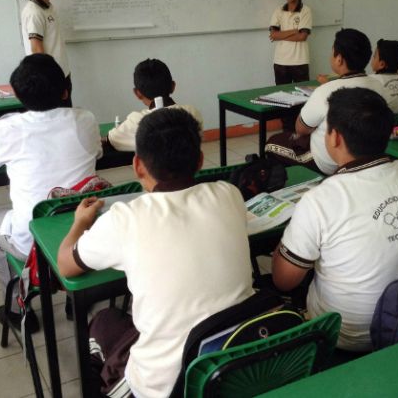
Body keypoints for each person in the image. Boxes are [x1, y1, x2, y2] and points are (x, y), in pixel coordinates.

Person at [57, 108, 255, 397]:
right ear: (200, 160)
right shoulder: (228, 193)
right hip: (233, 363)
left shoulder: (124, 218)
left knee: (103, 321)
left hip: (165, 386)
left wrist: (79, 224)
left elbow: (65, 265)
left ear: (137, 166)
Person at [272, 87, 398, 353]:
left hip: (344, 338)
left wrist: (281, 251)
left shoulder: (321, 200)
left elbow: (283, 280)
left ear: (334, 137)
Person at [0, 54, 102, 329]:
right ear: (65, 90)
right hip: (83, 233)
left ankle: (18, 308)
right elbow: (97, 150)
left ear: (16, 94)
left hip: (34, 241)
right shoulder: (85, 119)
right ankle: (77, 300)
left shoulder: (9, 128)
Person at [265, 28, 390, 175]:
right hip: (367, 156)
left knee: (272, 143)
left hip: (327, 162)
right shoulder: (378, 86)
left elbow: (301, 129)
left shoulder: (326, 91)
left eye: (332, 51)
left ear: (339, 59)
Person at [104, 58, 203, 152]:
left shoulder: (137, 121)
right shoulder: (192, 113)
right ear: (173, 86)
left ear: (137, 93)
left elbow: (112, 139)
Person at [15, 0, 73, 107]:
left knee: (66, 120)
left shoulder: (48, 7)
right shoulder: (34, 12)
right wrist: (50, 79)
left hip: (62, 75)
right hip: (50, 81)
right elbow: (36, 49)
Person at [269, 0, 313, 131]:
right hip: (280, 62)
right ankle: (287, 130)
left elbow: (302, 36)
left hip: (300, 61)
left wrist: (283, 33)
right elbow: (273, 35)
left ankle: (302, 129)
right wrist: (294, 30)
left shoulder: (306, 11)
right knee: (282, 98)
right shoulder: (278, 11)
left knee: (303, 98)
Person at [369, 39, 398, 114]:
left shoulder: (372, 80)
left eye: (374, 56)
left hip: (383, 122)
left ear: (382, 64)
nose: (373, 59)